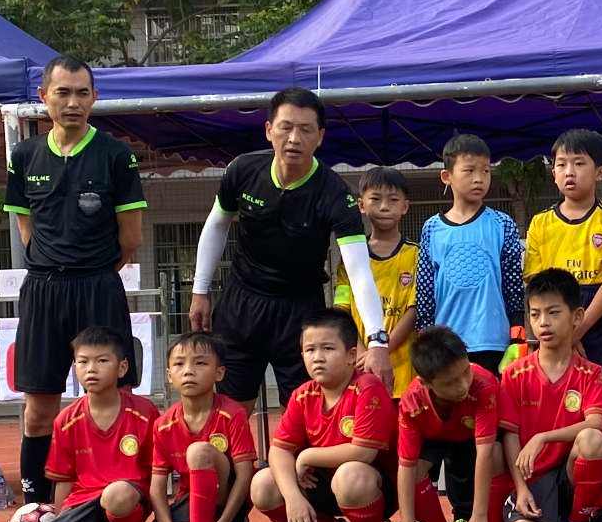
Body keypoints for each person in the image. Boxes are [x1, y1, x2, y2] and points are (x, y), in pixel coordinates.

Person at [185, 84, 390, 436]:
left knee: (303, 413)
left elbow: (358, 270)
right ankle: (230, 488)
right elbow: (217, 225)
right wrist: (199, 290)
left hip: (300, 310)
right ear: (269, 130)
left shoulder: (335, 193)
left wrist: (377, 340)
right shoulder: (242, 170)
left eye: (306, 130)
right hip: (241, 304)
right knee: (229, 416)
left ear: (320, 137)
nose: (294, 138)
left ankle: (295, 488)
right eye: (286, 127)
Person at [3, 56, 145, 512]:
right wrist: (52, 262)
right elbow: (25, 226)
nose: (73, 102)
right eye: (62, 92)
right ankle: (33, 513)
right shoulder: (24, 156)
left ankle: (118, 507)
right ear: (43, 97)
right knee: (39, 410)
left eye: (82, 93)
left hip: (98, 287)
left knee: (111, 402)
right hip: (44, 290)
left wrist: (89, 268)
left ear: (94, 99)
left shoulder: (116, 155)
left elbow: (131, 238)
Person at [256, 307, 396, 522]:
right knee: (263, 485)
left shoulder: (367, 387)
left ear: (351, 355)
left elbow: (363, 453)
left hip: (372, 486)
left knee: (350, 475)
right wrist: (293, 497)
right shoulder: (303, 394)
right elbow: (278, 451)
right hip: (322, 483)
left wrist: (307, 456)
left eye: (328, 349)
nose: (317, 358)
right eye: (310, 350)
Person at [28, 327, 169, 522]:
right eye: (83, 361)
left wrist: (162, 521)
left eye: (102, 360)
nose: (91, 368)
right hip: (83, 500)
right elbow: (64, 479)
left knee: (116, 494)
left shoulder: (144, 412)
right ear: (75, 368)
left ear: (122, 367)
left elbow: (157, 472)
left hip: (128, 499)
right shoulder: (65, 420)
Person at [500, 269, 602, 522]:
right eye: (535, 314)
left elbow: (595, 424)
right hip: (532, 479)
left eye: (553, 312)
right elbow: (509, 436)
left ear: (576, 316)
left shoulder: (591, 372)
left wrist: (543, 437)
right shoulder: (514, 374)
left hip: (571, 478)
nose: (543, 323)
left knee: (592, 440)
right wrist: (521, 488)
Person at [392, 325, 509, 522]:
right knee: (415, 471)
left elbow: (485, 452)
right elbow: (405, 466)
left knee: (497, 453)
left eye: (465, 372)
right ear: (425, 383)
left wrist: (478, 516)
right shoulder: (411, 402)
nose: (463, 385)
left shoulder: (484, 384)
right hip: (436, 438)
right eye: (451, 382)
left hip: (474, 439)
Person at [411, 132, 526, 375]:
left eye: (485, 171)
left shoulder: (502, 223)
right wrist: (425, 337)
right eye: (469, 170)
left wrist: (518, 334)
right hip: (445, 343)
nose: (479, 179)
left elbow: (513, 284)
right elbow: (424, 289)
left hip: (493, 341)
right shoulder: (432, 228)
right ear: (447, 176)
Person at [524, 129, 602, 390]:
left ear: (600, 172)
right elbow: (535, 284)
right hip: (553, 316)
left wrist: (575, 332)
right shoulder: (540, 223)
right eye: (561, 164)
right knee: (556, 393)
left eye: (579, 163)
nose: (569, 171)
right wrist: (561, 330)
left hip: (598, 317)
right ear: (554, 173)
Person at [151, 331, 259, 522]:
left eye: (200, 363)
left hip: (225, 498)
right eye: (179, 364)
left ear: (219, 373)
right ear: (169, 376)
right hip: (189, 500)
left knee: (199, 451)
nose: (188, 371)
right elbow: (157, 490)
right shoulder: (163, 424)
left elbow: (244, 475)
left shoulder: (233, 413)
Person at [346, 170, 420, 394]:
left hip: (405, 371)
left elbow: (415, 309)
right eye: (375, 199)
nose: (384, 207)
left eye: (393, 200)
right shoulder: (351, 256)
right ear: (361, 205)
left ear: (405, 207)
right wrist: (363, 354)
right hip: (361, 367)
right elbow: (342, 309)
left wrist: (380, 351)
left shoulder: (417, 255)